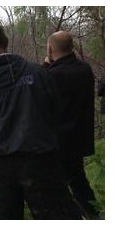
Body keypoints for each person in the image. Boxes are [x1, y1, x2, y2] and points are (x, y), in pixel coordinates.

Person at [0, 23, 82, 220]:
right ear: (6, 42)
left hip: (0, 170)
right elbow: (57, 113)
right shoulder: (38, 73)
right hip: (41, 161)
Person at [44, 31, 98, 219]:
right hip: (79, 138)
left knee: (56, 190)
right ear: (72, 47)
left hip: (57, 142)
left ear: (50, 49)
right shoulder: (84, 69)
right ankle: (95, 215)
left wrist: (45, 65)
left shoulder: (51, 75)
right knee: (79, 183)